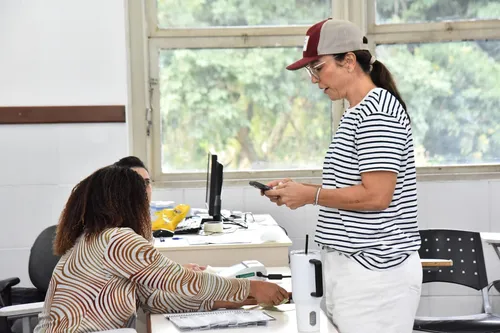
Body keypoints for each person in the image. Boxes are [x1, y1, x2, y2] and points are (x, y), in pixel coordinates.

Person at [263, 19, 422, 333]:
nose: (314, 80)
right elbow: (354, 188)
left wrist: (311, 195)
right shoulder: (356, 112)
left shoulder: (377, 112)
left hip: (376, 273)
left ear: (348, 61)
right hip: (353, 270)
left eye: (317, 68)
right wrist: (301, 190)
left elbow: (377, 196)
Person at [34, 166, 288, 332]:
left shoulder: (95, 238)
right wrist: (251, 287)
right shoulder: (117, 240)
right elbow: (180, 281)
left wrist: (218, 301)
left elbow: (152, 298)